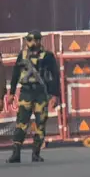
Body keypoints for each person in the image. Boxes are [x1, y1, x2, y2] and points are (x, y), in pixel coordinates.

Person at [6, 32, 60, 163]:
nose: (28, 43)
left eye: (31, 40)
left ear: (38, 41)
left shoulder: (48, 56)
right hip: (26, 92)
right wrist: (12, 93)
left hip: (41, 93)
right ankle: (16, 154)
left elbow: (55, 76)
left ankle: (36, 153)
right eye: (27, 40)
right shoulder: (23, 55)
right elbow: (15, 74)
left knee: (40, 123)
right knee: (21, 123)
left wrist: (55, 95)